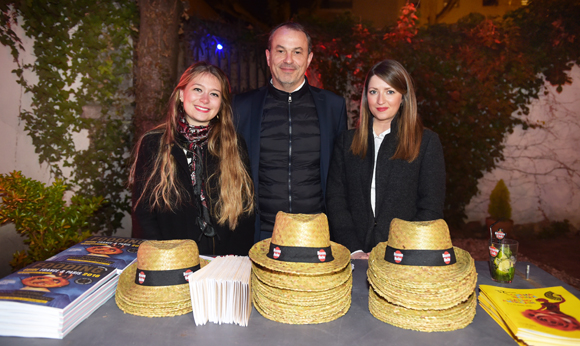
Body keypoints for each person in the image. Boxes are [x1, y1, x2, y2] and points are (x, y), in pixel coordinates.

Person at [233, 22, 347, 242]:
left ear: (309, 59)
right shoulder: (241, 107)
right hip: (260, 236)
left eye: (297, 52)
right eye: (280, 51)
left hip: (317, 234)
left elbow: (341, 178)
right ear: (268, 57)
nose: (288, 60)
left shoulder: (333, 107)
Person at [130, 62, 255, 256]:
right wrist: (162, 260)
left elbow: (246, 214)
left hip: (222, 265)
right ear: (181, 94)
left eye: (214, 94)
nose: (205, 99)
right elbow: (144, 215)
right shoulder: (154, 143)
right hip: (170, 262)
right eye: (198, 89)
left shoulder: (234, 145)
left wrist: (233, 262)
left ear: (222, 103)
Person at [326, 59, 446, 259]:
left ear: (403, 96)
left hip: (403, 257)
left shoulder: (426, 143)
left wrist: (395, 251)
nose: (380, 100)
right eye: (374, 92)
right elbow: (336, 201)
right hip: (352, 256)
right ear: (366, 97)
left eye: (389, 91)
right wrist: (354, 250)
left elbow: (430, 209)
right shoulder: (346, 142)